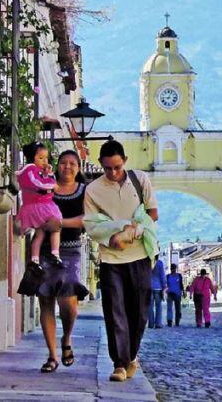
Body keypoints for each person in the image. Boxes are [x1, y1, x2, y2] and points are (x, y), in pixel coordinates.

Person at [84, 140, 158, 383]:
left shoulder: (140, 180)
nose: (113, 173)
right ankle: (118, 364)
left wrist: (133, 232)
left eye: (117, 167)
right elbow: (92, 225)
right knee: (115, 311)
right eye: (107, 169)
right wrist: (116, 232)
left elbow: (152, 213)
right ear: (101, 166)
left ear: (125, 161)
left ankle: (131, 356)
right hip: (111, 258)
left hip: (140, 256)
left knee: (139, 312)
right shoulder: (93, 190)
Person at [37, 150, 90, 373]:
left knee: (68, 303)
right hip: (44, 250)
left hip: (71, 252)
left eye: (72, 163)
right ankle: (52, 356)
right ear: (57, 166)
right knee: (46, 300)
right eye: (63, 163)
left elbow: (86, 220)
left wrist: (58, 223)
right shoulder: (46, 185)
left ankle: (66, 338)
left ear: (78, 168)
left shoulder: (84, 191)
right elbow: (35, 206)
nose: (67, 166)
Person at [17, 142, 64, 269]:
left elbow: (40, 180)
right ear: (32, 157)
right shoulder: (30, 169)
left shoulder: (34, 170)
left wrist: (46, 174)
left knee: (40, 234)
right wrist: (51, 183)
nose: (45, 161)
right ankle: (55, 253)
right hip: (40, 206)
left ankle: (35, 260)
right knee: (56, 227)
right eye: (41, 158)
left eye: (46, 158)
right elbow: (38, 183)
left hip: (35, 206)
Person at [148, 255, 167, 328]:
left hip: (149, 287)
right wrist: (164, 285)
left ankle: (151, 323)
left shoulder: (148, 263)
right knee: (158, 306)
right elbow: (162, 275)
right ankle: (158, 323)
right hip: (158, 288)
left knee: (150, 306)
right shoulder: (159, 263)